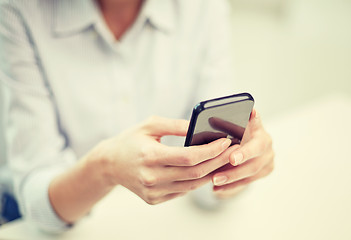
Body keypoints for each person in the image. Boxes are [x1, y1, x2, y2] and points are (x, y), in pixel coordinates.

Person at [0, 0, 274, 232]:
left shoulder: (202, 6)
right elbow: (37, 201)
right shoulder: (18, 11)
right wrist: (105, 167)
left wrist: (235, 166)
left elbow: (210, 182)